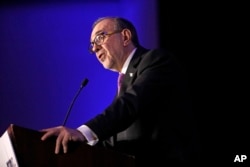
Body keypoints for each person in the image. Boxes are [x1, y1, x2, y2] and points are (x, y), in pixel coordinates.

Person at [41, 16, 201, 166]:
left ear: (125, 36)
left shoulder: (156, 60)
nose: (95, 48)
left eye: (100, 37)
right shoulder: (124, 85)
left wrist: (83, 132)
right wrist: (78, 147)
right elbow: (114, 141)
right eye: (92, 45)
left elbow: (130, 105)